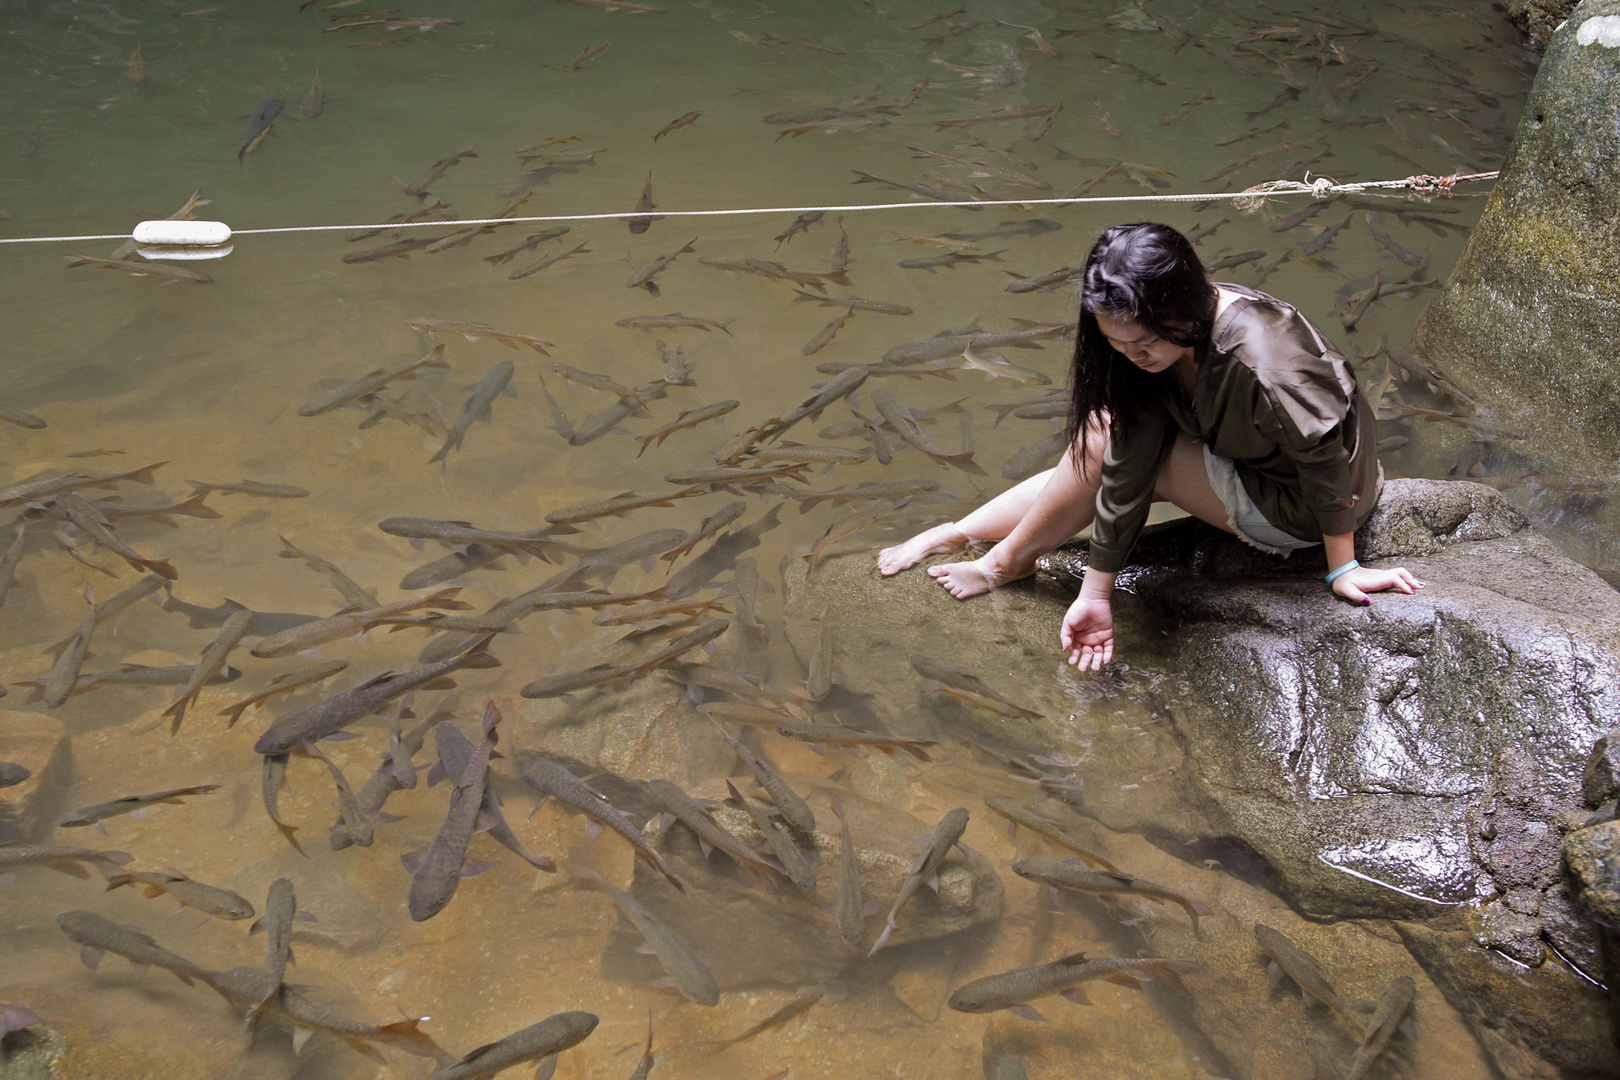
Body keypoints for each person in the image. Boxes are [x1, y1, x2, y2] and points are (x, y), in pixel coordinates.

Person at [877, 222, 1423, 669]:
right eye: (1115, 342)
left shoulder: (1263, 356)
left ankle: (1004, 564)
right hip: (1252, 460)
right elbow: (1129, 454)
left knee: (1105, 442)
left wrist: (1341, 567)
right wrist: (1096, 592)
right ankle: (963, 533)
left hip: (1300, 504)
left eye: (1144, 342)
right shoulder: (1167, 338)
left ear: (1182, 309)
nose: (1131, 355)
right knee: (1106, 434)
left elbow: (1322, 455)